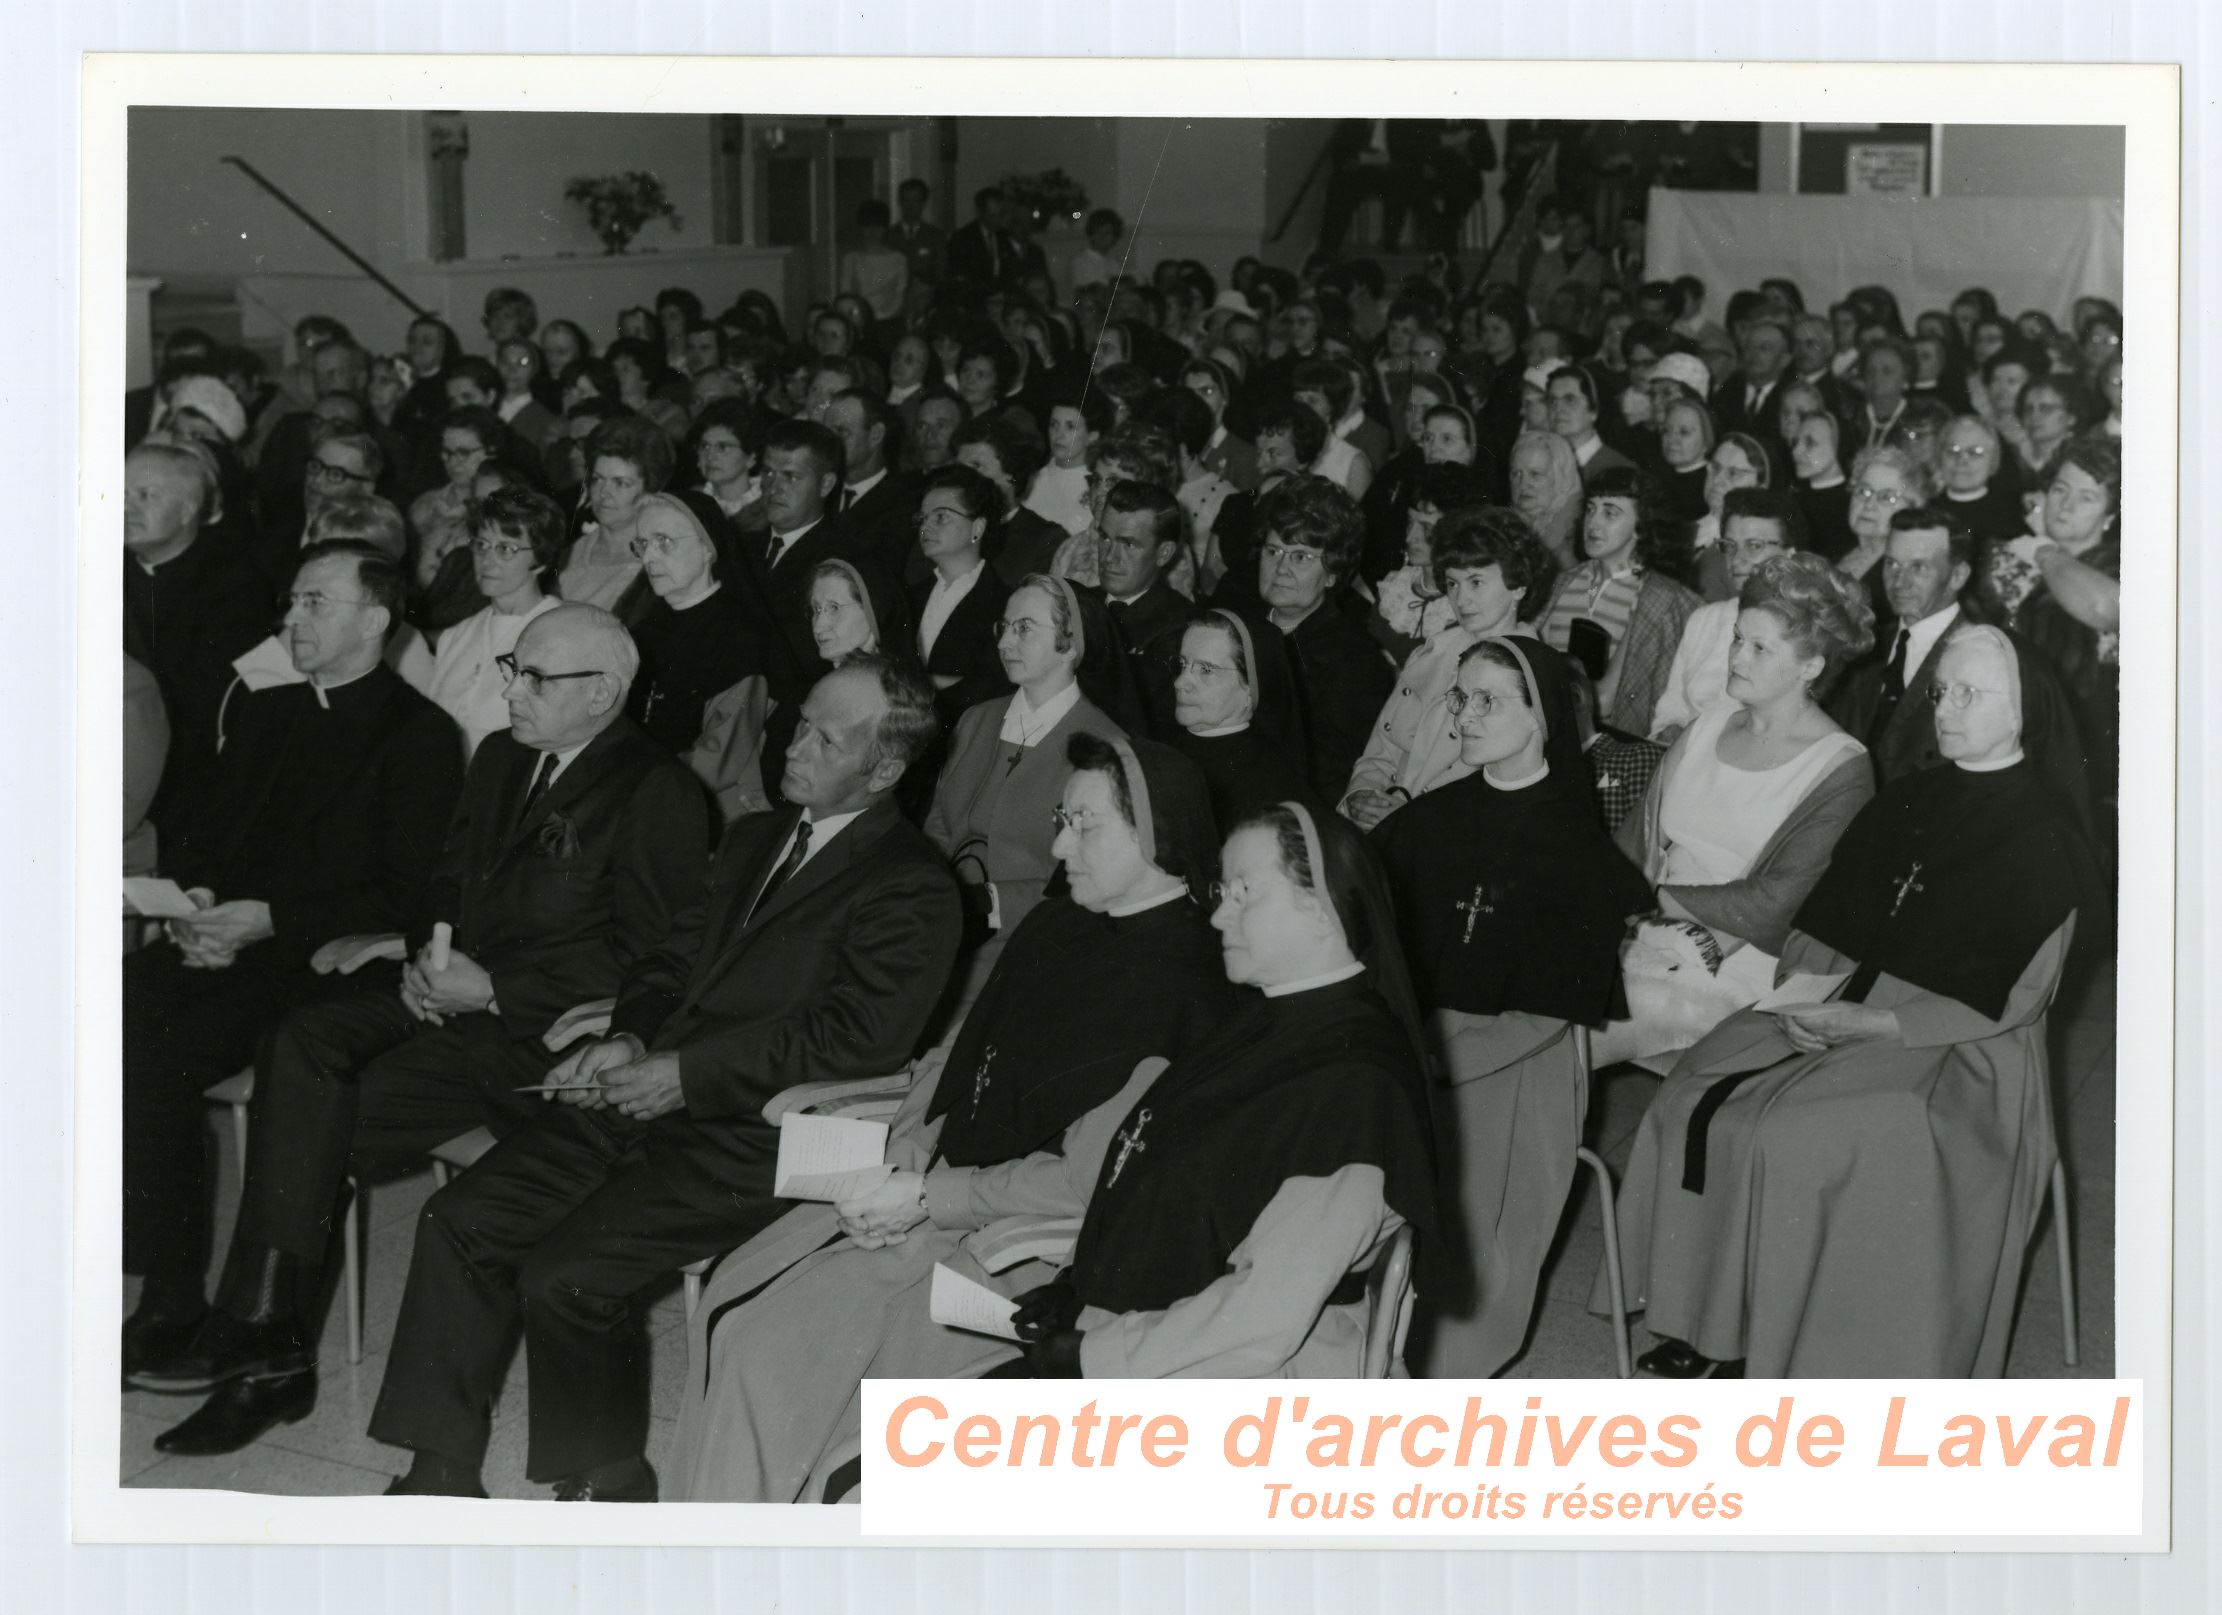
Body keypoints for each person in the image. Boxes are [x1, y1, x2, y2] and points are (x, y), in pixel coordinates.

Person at [367, 657, 962, 1499]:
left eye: (824, 739)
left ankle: (608, 1483)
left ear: (885, 768)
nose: (793, 745)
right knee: (460, 1218)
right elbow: (668, 957)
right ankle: (440, 1468)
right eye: (800, 723)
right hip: (650, 1093)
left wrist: (688, 1073)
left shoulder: (911, 885)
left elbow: (856, 1039)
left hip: (759, 1134)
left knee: (566, 1272)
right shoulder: (758, 835)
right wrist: (631, 1034)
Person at [130, 605, 713, 1451]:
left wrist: (497, 990)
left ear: (605, 694)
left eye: (536, 677)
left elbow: (651, 956)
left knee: (308, 1125)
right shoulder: (506, 758)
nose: (510, 688)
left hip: (546, 1044)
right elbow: (447, 878)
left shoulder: (657, 790)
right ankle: (264, 1336)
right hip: (455, 1014)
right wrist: (429, 957)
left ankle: (266, 1353)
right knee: (303, 1053)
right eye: (514, 666)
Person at [668, 734, 1232, 1501]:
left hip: (1024, 1248)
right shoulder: (1059, 922)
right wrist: (907, 1152)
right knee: (734, 1298)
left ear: (1157, 832)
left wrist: (928, 1196)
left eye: (1085, 825)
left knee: (767, 1349)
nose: (1059, 843)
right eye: (1061, 817)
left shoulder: (1191, 984)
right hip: (928, 1191)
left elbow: (1085, 1183)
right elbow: (958, 1058)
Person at [1605, 625, 2101, 1377]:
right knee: (1696, 1089)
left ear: (2025, 710)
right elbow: (1828, 918)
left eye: (1973, 694)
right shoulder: (1910, 796)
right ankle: (1706, 1323)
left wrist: (1871, 1022)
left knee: (1794, 1134)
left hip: (1957, 1047)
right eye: (1943, 690)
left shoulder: (2047, 832)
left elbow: (2017, 998)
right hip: (1843, 994)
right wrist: (1808, 991)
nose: (1949, 708)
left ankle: (1785, 1348)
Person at [119, 543, 465, 1381]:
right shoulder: (270, 711)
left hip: (321, 961)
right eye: (293, 602)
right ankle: (147, 1276)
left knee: (158, 1053)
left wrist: (266, 920)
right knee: (97, 1015)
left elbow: (403, 892)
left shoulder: (418, 733)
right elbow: (210, 830)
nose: (291, 619)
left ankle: (171, 1296)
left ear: (375, 619)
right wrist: (196, 905)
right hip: (231, 944)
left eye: (315, 603)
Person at [992, 801, 1438, 1379]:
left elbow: (1264, 1319)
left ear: (1324, 908)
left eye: (1246, 893)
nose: (1219, 918)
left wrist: (1091, 1355)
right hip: (1172, 1332)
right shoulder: (1268, 1019)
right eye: (1222, 894)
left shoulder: (1355, 1084)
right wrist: (1075, 1287)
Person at [1377, 635, 1651, 1377]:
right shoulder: (1429, 819)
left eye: (1488, 701)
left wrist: (1435, 1061)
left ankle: (1441, 1376)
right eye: (1460, 698)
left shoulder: (1573, 845)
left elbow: (1546, 1014)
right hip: (1417, 1038)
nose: (1464, 715)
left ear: (1541, 719)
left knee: (1474, 1228)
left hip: (1517, 1060)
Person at [1597, 553, 1876, 1069]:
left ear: (1810, 667)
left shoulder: (1840, 766)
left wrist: (1651, 898)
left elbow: (1778, 904)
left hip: (1738, 967)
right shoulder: (1709, 724)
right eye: (1737, 639)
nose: (1737, 659)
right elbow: (1633, 845)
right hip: (1646, 934)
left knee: (1564, 1023)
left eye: (1760, 648)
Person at [1341, 506, 1557, 826]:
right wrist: (1360, 794)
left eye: (1476, 582)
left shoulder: (1529, 674)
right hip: (1385, 823)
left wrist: (1407, 817)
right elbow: (1381, 749)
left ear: (1518, 586)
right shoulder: (1432, 652)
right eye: (1453, 584)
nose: (1461, 598)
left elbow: (1491, 802)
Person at [122, 442, 274, 837]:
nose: (125, 508)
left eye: (146, 495)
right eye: (120, 494)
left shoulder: (239, 588)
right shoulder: (92, 567)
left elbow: (254, 700)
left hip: (192, 788)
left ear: (189, 509)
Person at [624, 492, 774, 820]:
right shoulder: (642, 629)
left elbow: (722, 756)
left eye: (664, 542)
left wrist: (635, 784)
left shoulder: (740, 636)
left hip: (697, 807)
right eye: (642, 544)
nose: (648, 557)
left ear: (707, 548)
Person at [1255, 476, 1396, 805]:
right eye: (1273, 550)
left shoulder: (1356, 660)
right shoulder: (1236, 625)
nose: (1281, 568)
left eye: (1301, 557)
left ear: (1333, 572)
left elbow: (1338, 775)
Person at [1536, 465, 1701, 738]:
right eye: (1590, 509)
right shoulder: (1562, 583)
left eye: (1610, 513)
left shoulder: (1658, 599)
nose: (1593, 522)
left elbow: (1613, 701)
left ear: (1641, 526)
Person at [418, 485, 567, 759]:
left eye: (506, 549)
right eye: (481, 545)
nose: (487, 560)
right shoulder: (456, 635)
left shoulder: (563, 634)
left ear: (541, 559)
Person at [1650, 486, 1804, 742]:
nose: (1737, 560)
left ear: (1790, 555)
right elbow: (1671, 709)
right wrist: (1670, 731)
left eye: (1754, 546)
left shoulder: (1799, 631)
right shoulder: (1706, 619)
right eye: (1730, 546)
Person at [1168, 606, 1312, 827]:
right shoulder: (1161, 748)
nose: (1179, 683)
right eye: (1182, 664)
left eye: (1206, 669)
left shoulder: (1268, 787)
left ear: (1250, 688)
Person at [909, 462, 1013, 727]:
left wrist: (915, 684)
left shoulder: (1006, 603)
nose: (926, 527)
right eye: (923, 517)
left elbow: (992, 687)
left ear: (977, 527)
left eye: (941, 516)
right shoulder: (908, 596)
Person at [559, 415, 674, 617]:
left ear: (650, 491)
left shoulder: (660, 566)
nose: (604, 493)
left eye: (621, 483)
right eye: (597, 479)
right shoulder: (569, 553)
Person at [1506, 428, 1584, 571]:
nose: (1523, 484)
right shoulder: (1505, 525)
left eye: (1535, 474)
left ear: (1561, 478)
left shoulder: (1579, 534)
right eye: (1516, 473)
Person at [1547, 366, 1635, 486]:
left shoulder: (1619, 469)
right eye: (1552, 401)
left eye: (1569, 399)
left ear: (1593, 411)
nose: (1557, 409)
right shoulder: (1544, 465)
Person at [1790, 409, 1854, 563]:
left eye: (1810, 442)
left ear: (1838, 444)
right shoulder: (1792, 499)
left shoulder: (1853, 505)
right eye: (1795, 442)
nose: (1796, 451)